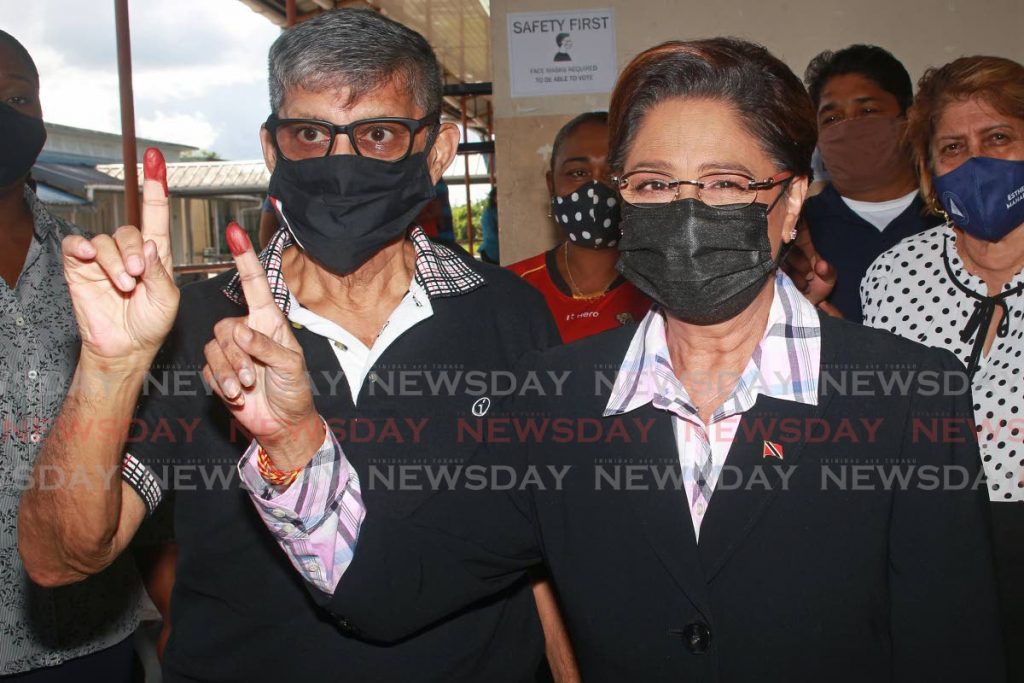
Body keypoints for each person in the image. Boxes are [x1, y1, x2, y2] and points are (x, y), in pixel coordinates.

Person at [213, 38, 1004, 681]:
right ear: (621, 199)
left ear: (791, 200)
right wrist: (292, 439)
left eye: (725, 182)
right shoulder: (558, 397)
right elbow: (386, 589)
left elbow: (953, 651)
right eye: (654, 182)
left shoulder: (906, 397)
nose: (685, 210)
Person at [17, 10, 557, 682]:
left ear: (439, 150)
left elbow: (540, 544)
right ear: (273, 151)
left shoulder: (510, 314)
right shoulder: (192, 327)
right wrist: (110, 365)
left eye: (378, 134)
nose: (339, 164)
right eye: (309, 134)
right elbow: (62, 557)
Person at [861, 55, 1024, 680]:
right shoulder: (893, 275)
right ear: (929, 171)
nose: (976, 160)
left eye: (999, 138)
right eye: (953, 147)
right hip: (926, 550)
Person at [0, 30, 149, 682]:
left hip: (96, 631)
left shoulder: (93, 267)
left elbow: (145, 445)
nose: (6, 114)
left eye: (19, 97)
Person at [800, 45, 942, 322]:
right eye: (832, 118)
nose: (849, 126)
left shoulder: (953, 218)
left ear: (909, 120)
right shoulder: (800, 232)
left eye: (867, 110)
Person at [508, 112, 650, 343]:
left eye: (612, 175)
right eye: (578, 173)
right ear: (551, 184)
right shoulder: (513, 287)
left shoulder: (661, 288)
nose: (594, 189)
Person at [478, 187, 499, 264]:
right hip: (491, 251)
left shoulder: (495, 211)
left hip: (491, 251)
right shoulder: (491, 212)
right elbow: (492, 236)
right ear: (494, 198)